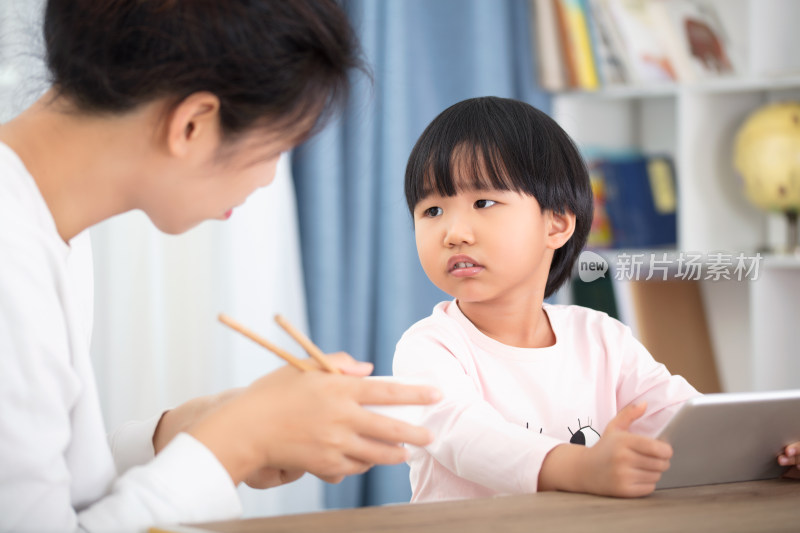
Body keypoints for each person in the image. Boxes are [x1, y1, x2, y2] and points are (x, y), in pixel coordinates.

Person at [0, 1, 441, 530]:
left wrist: (185, 433)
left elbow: (46, 479)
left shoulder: (46, 221)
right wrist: (238, 439)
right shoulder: (12, 252)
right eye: (273, 148)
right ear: (192, 124)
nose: (264, 180)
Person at [393, 96, 800, 502]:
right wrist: (582, 467)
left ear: (556, 224)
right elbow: (466, 438)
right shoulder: (428, 347)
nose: (454, 232)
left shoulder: (601, 337)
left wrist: (773, 453)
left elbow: (681, 423)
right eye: (432, 211)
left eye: (483, 202)